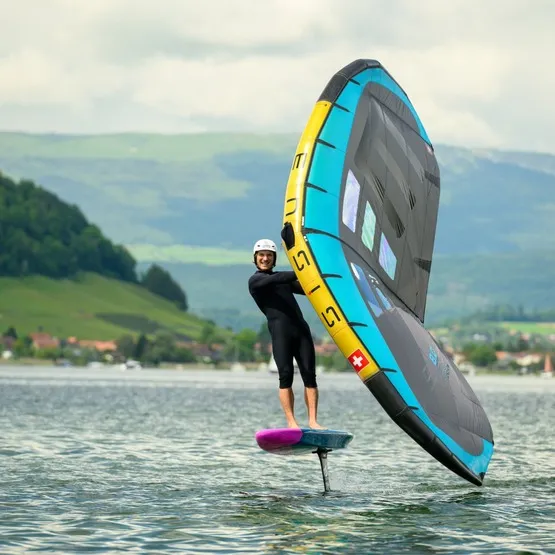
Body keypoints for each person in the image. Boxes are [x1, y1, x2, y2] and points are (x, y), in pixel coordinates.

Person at [248, 238, 324, 429]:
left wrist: (323, 275)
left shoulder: (283, 281)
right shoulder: (256, 281)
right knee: (286, 375)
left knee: (310, 376)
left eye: (269, 255)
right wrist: (305, 268)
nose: (265, 258)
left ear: (274, 259)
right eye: (261, 255)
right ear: (255, 258)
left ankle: (313, 421)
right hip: (280, 333)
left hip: (301, 331)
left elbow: (309, 288)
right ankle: (292, 422)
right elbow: (280, 278)